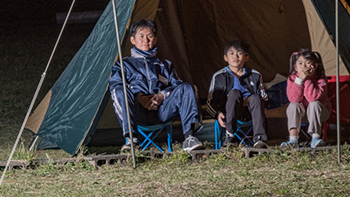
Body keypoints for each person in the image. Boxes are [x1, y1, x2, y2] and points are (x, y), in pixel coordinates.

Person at [108, 19, 204, 152]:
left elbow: (177, 85)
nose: (145, 40)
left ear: (155, 39)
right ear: (132, 40)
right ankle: (131, 140)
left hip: (162, 111)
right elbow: (115, 84)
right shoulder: (124, 64)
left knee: (187, 87)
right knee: (119, 90)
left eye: (150, 36)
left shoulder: (164, 65)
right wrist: (140, 97)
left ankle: (189, 137)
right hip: (137, 112)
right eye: (141, 36)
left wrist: (162, 95)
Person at [205, 39, 269, 148]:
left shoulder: (255, 75)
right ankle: (230, 136)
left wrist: (251, 98)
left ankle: (259, 139)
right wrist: (217, 113)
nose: (236, 56)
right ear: (225, 57)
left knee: (255, 98)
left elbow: (265, 100)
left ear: (246, 57)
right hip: (230, 112)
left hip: (250, 111)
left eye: (239, 53)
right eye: (232, 53)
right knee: (234, 93)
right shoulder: (219, 76)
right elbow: (210, 102)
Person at [281, 49, 332, 148]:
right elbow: (294, 99)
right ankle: (293, 140)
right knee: (293, 105)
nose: (304, 66)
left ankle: (315, 138)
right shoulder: (292, 79)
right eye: (300, 63)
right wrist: (299, 80)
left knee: (314, 104)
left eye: (308, 63)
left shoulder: (320, 79)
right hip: (302, 112)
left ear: (315, 66)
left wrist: (307, 79)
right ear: (295, 67)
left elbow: (313, 98)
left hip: (320, 112)